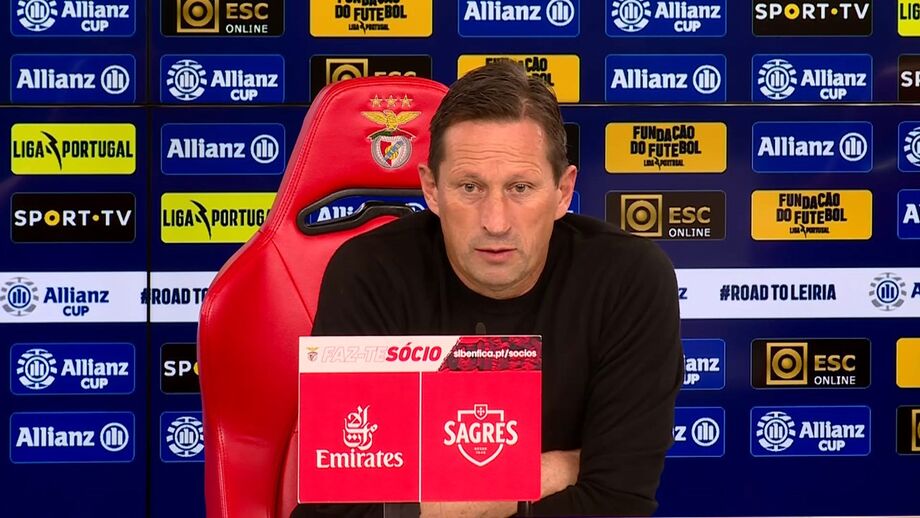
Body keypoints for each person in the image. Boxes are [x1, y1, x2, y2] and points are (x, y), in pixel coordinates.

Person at [296, 60, 683, 517]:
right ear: (431, 189)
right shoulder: (369, 273)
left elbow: (616, 504)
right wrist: (555, 471)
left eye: (520, 187)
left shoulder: (628, 279)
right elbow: (336, 512)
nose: (495, 222)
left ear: (563, 191)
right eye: (469, 187)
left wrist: (416, 503)